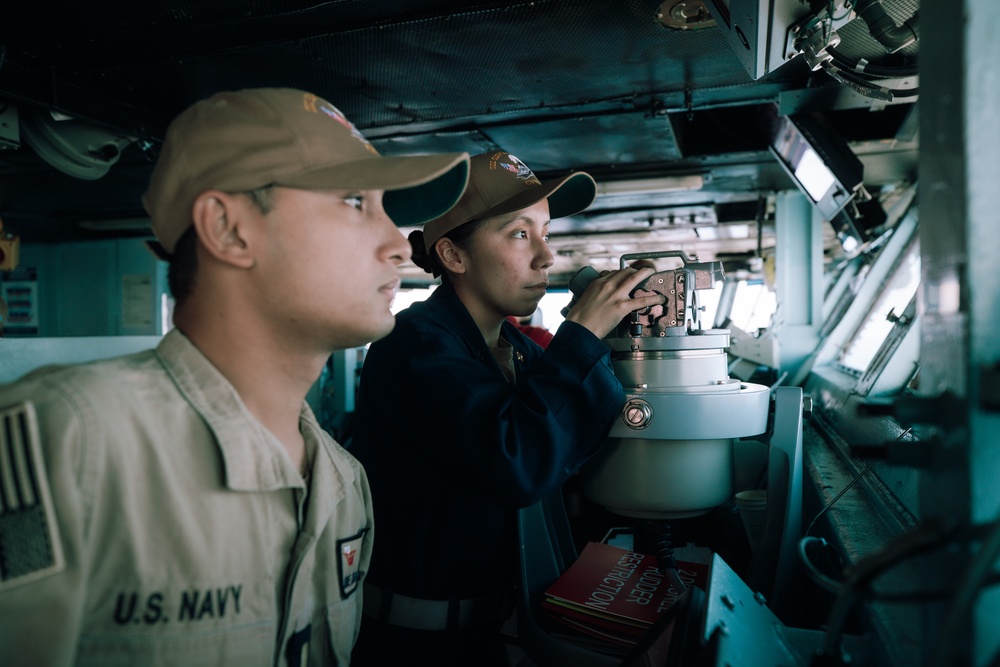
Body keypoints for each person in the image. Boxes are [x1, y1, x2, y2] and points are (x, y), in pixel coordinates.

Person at [0, 87, 470, 667]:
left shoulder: (342, 482)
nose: (401, 244)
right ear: (228, 229)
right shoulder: (63, 443)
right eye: (354, 202)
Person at [349, 150, 666, 666]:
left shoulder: (515, 349)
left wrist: (624, 343)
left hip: (495, 630)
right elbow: (518, 460)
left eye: (546, 233)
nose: (546, 256)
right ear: (454, 256)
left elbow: (580, 421)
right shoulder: (415, 348)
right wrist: (582, 337)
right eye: (520, 234)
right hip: (418, 645)